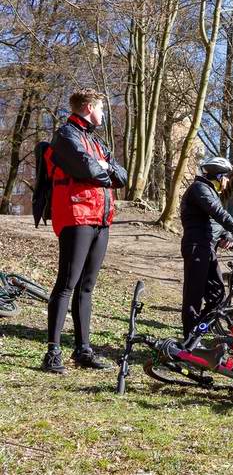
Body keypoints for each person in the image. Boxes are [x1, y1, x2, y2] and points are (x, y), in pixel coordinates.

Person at [42, 90, 128, 373]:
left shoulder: (94, 139)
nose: (103, 114)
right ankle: (53, 352)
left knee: (86, 287)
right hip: (76, 215)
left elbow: (121, 176)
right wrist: (104, 169)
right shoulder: (66, 135)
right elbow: (85, 168)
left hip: (101, 218)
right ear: (89, 107)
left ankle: (83, 350)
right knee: (66, 283)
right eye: (101, 109)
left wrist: (103, 168)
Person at [179, 157, 233, 337]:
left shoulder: (207, 190)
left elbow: (214, 222)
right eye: (225, 178)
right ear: (218, 176)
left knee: (217, 295)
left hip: (207, 249)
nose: (226, 183)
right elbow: (218, 214)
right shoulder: (200, 189)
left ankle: (197, 331)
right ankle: (189, 338)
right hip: (197, 248)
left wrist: (226, 235)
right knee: (194, 297)